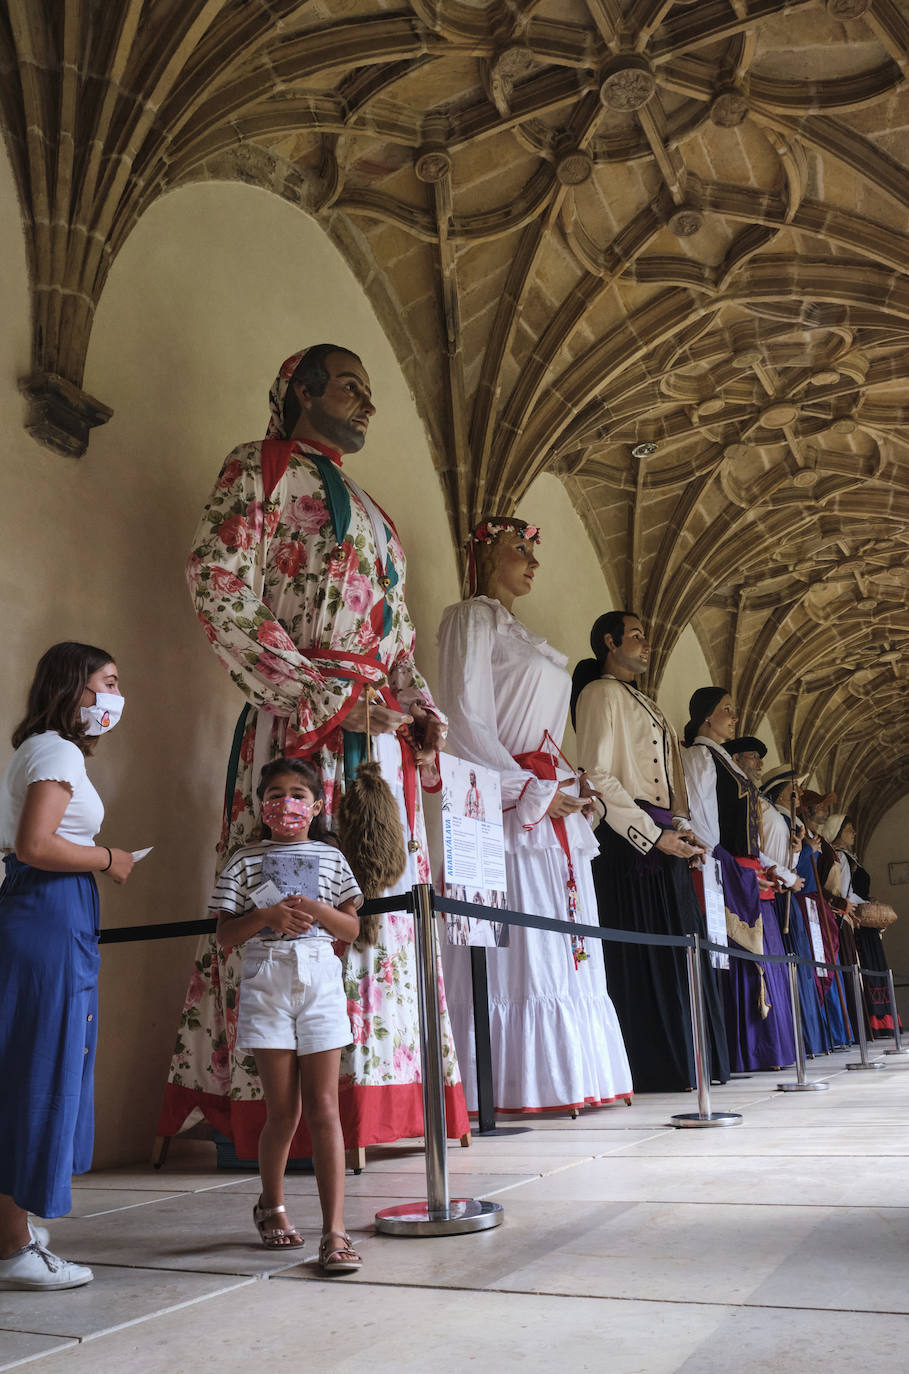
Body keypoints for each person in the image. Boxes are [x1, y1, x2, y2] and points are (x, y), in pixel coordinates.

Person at [160, 345, 469, 1159]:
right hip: (304, 727)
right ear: (300, 391)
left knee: (378, 900)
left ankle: (378, 1101)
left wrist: (418, 708)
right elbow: (218, 578)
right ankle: (288, 1117)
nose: (366, 405)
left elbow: (393, 635)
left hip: (376, 740)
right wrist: (319, 695)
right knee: (299, 898)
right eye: (349, 387)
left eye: (370, 393)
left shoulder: (375, 512)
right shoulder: (256, 469)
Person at [438, 518, 632, 1112]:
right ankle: (512, 1083)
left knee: (563, 940)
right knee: (524, 945)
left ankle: (572, 1075)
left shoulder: (523, 633)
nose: (531, 561)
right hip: (510, 805)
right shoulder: (471, 619)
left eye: (532, 550)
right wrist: (528, 787)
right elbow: (465, 718)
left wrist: (567, 784)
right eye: (517, 549)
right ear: (484, 556)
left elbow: (544, 729)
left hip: (550, 799)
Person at [0, 642, 133, 1291]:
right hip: (47, 914)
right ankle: (13, 1249)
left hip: (42, 911)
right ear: (76, 686)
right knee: (39, 1069)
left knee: (26, 1066)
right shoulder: (58, 750)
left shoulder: (41, 747)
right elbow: (35, 844)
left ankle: (10, 1226)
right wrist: (109, 857)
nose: (115, 695)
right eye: (107, 682)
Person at [214, 757, 362, 1271]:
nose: (286, 802)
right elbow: (224, 935)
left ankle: (335, 1231)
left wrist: (315, 909)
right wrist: (266, 916)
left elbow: (351, 929)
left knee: (324, 1106)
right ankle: (271, 1205)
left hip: (319, 979)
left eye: (299, 793)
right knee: (284, 1110)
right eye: (275, 793)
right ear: (261, 804)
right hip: (267, 980)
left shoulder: (331, 857)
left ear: (318, 804)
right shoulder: (243, 860)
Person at [571, 614, 729, 1093]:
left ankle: (690, 1061)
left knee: (681, 949)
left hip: (662, 835)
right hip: (629, 843)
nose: (646, 644)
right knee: (646, 955)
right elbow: (597, 774)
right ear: (609, 642)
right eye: (636, 635)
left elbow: (670, 787)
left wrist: (682, 828)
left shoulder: (648, 703)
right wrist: (652, 835)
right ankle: (655, 1064)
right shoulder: (599, 693)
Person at [682, 689, 795, 1073]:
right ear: (705, 718)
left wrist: (772, 869)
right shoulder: (700, 757)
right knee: (737, 960)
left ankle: (762, 1050)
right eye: (726, 710)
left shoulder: (725, 762)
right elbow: (704, 823)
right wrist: (722, 869)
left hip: (744, 870)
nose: (733, 716)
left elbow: (747, 835)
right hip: (723, 870)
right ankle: (744, 1051)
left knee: (756, 962)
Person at [727, 743, 827, 1057]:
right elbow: (759, 851)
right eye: (793, 787)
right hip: (768, 887)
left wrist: (796, 850)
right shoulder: (759, 807)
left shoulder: (772, 812)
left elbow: (784, 857)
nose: (798, 792)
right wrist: (785, 875)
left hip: (779, 887)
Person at [821, 813, 898, 1039]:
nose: (854, 832)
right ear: (838, 831)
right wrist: (866, 904)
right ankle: (874, 1022)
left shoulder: (851, 858)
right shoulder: (843, 859)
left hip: (864, 920)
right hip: (858, 922)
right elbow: (845, 893)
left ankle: (882, 1021)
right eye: (849, 829)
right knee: (867, 970)